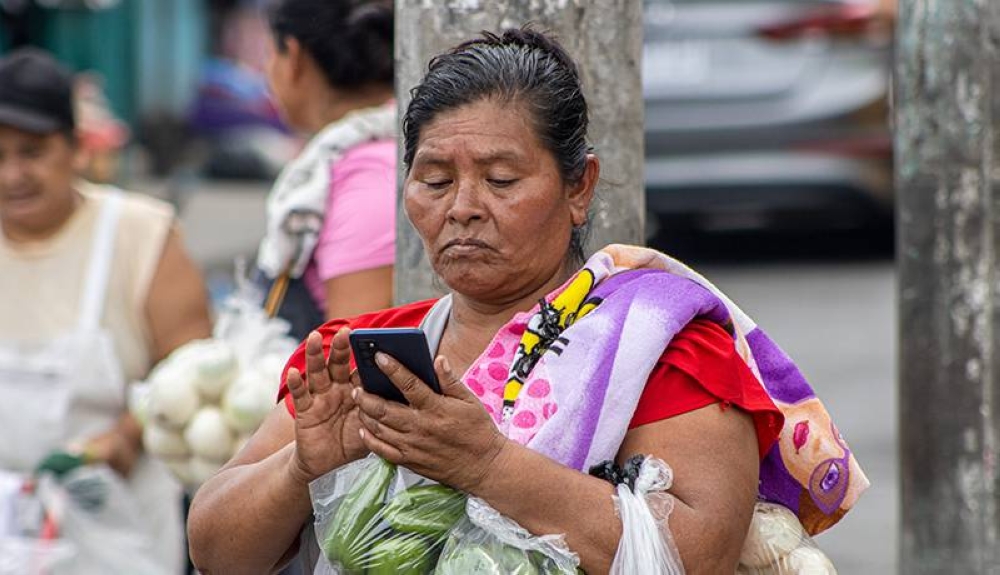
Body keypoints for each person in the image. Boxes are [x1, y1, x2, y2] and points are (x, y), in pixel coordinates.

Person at [188, 28, 866, 574]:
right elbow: (216, 551)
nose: (462, 208)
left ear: (579, 187)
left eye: (501, 178)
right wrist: (301, 466)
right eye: (433, 178)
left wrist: (488, 466)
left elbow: (698, 555)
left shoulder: (664, 347)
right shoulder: (370, 353)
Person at [0, 48, 213, 573]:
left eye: (32, 152)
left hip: (119, 530)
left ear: (75, 148)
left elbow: (193, 373)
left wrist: (124, 438)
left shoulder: (140, 234)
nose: (11, 175)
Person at [256, 0, 396, 337]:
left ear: (294, 58)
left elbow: (352, 357)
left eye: (270, 54)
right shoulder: (356, 159)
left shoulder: (370, 178)